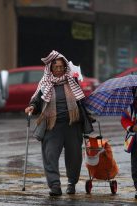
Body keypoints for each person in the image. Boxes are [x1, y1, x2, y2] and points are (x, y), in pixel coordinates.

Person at [24, 50, 93, 196]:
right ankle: (55, 186)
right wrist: (32, 106)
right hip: (52, 126)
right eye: (56, 67)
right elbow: (37, 99)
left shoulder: (72, 81)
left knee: (74, 157)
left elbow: (81, 100)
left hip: (72, 125)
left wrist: (87, 115)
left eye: (62, 67)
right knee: (50, 156)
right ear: (51, 68)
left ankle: (71, 183)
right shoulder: (45, 83)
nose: (59, 70)